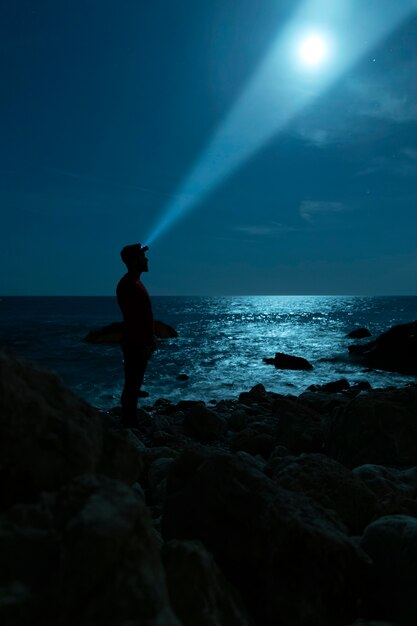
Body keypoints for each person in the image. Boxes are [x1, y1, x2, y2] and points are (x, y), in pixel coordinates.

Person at [116, 243, 156, 427]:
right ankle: (129, 424)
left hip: (138, 342)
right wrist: (144, 343)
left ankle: (129, 421)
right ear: (134, 260)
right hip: (135, 342)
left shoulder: (135, 282)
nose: (146, 259)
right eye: (142, 256)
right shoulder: (129, 285)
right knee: (132, 384)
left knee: (134, 383)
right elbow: (133, 318)